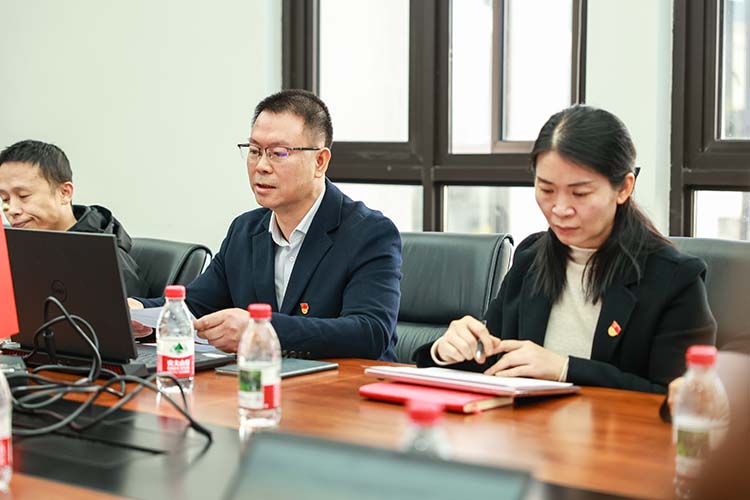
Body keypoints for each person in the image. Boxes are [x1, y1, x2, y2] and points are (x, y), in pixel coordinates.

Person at [415, 105, 716, 393]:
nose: (559, 209)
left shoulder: (674, 279)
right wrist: (447, 350)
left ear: (624, 187)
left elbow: (677, 398)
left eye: (579, 193)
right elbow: (495, 361)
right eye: (546, 189)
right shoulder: (531, 258)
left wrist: (565, 369)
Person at [130, 89, 402, 361]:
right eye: (254, 151)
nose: (261, 166)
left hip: (343, 384)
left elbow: (370, 332)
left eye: (278, 153)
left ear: (320, 162)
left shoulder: (369, 233)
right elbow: (197, 305)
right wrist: (136, 311)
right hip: (264, 378)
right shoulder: (245, 230)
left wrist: (260, 329)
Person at [0, 139, 147, 296]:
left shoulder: (107, 262)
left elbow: (130, 310)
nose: (11, 210)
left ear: (65, 193)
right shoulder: (14, 250)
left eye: (23, 196)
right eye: (5, 199)